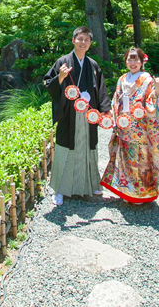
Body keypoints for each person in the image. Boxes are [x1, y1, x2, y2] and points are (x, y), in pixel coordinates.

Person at [43, 26, 111, 205]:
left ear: (90, 43)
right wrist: (61, 76)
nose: (83, 42)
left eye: (87, 40)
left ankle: (90, 184)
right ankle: (60, 189)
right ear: (73, 41)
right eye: (80, 39)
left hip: (89, 115)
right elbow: (47, 82)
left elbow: (101, 89)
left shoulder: (93, 65)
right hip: (69, 115)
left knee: (88, 147)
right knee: (66, 149)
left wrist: (105, 108)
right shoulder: (63, 62)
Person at [100, 47, 159, 204]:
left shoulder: (147, 80)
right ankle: (128, 190)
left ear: (142, 61)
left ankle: (142, 193)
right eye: (129, 59)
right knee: (126, 159)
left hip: (140, 127)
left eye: (136, 59)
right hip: (124, 126)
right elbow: (116, 100)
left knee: (141, 160)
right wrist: (113, 116)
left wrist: (157, 90)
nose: (132, 62)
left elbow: (154, 105)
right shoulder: (123, 79)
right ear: (125, 61)